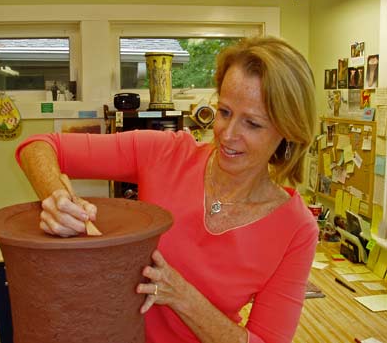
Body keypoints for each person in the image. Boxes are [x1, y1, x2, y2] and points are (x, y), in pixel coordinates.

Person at [16, 36, 318, 343]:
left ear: (288, 130)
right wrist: (56, 198)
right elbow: (38, 147)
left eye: (252, 124)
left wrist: (183, 297)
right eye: (224, 112)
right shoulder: (165, 154)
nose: (227, 135)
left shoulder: (296, 229)